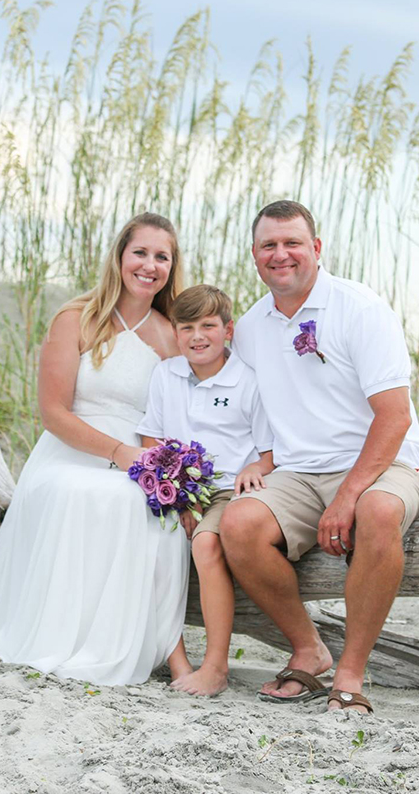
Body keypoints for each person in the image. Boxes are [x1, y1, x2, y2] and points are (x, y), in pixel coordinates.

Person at [0, 213, 193, 686]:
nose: (149, 265)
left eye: (162, 257)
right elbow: (53, 413)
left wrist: (165, 467)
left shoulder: (171, 334)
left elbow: (176, 416)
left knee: (148, 507)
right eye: (140, 252)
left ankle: (136, 645)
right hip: (70, 452)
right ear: (119, 257)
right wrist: (118, 453)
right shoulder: (77, 319)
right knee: (83, 492)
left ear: (172, 268)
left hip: (139, 460)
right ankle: (65, 636)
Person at [220, 200, 419, 715]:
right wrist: (258, 461)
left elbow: (394, 417)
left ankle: (351, 673)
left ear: (315, 248)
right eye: (269, 245)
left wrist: (349, 496)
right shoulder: (250, 327)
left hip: (383, 462)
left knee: (377, 512)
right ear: (254, 255)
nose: (281, 254)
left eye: (292, 242)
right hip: (297, 471)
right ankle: (308, 648)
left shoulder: (359, 308)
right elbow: (247, 408)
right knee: (239, 523)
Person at [136, 284, 275, 697]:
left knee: (204, 544)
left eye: (208, 326)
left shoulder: (247, 381)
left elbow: (269, 453)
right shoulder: (167, 374)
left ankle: (215, 667)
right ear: (175, 333)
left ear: (228, 330)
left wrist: (254, 466)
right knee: (147, 540)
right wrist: (174, 493)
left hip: (227, 490)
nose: (198, 336)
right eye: (187, 327)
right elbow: (152, 442)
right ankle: (173, 656)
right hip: (175, 487)